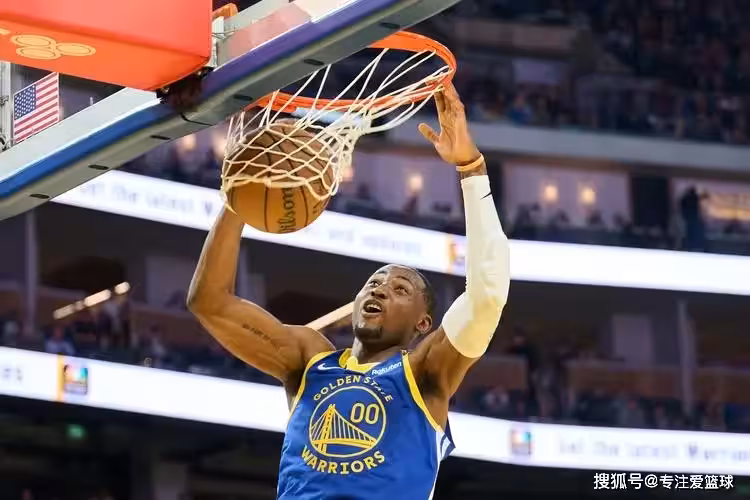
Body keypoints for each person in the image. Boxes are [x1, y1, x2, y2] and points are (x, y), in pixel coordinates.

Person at [187, 83, 511, 500]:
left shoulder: (425, 373)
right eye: (373, 283)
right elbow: (210, 303)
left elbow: (487, 296)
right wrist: (241, 196)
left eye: (400, 289)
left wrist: (470, 167)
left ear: (423, 323)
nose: (380, 289)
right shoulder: (309, 360)